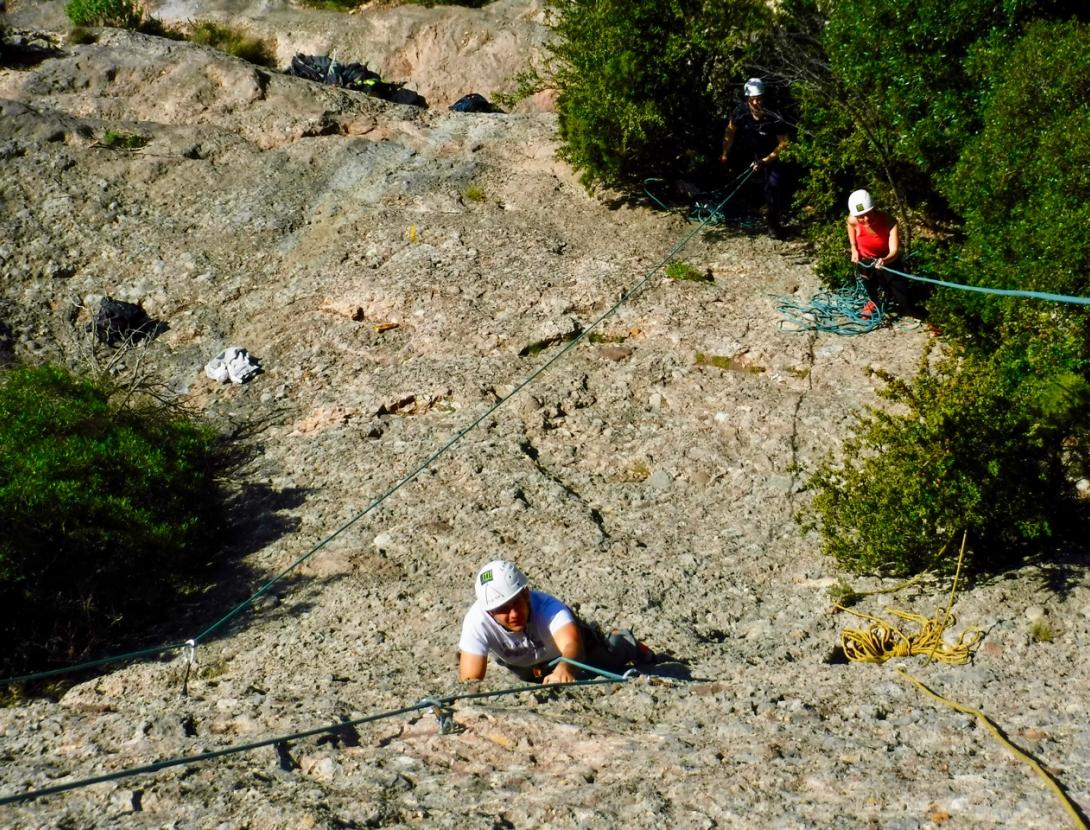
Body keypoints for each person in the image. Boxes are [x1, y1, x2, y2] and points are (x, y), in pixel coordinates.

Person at [458, 560, 651, 685]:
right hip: (524, 666)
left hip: (567, 654)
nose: (514, 613)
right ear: (490, 612)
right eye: (503, 609)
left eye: (516, 602)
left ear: (526, 593)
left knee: (607, 663)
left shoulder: (549, 608)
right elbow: (470, 680)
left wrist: (565, 668)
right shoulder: (476, 622)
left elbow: (572, 645)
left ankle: (625, 642)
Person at [720, 77, 790, 238]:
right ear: (748, 99)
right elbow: (730, 132)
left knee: (773, 186)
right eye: (753, 99)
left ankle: (773, 223)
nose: (756, 103)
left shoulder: (773, 115)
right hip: (751, 151)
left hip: (772, 154)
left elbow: (784, 144)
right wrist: (725, 154)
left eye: (759, 99)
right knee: (739, 180)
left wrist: (765, 161)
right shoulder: (740, 112)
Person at [845, 189, 914, 318]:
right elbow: (850, 225)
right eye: (861, 216)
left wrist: (885, 260)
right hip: (866, 260)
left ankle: (907, 307)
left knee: (903, 299)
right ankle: (873, 302)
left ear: (874, 209)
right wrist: (854, 248)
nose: (866, 219)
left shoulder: (889, 222)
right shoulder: (853, 220)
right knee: (870, 286)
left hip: (888, 261)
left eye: (868, 214)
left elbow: (894, 251)